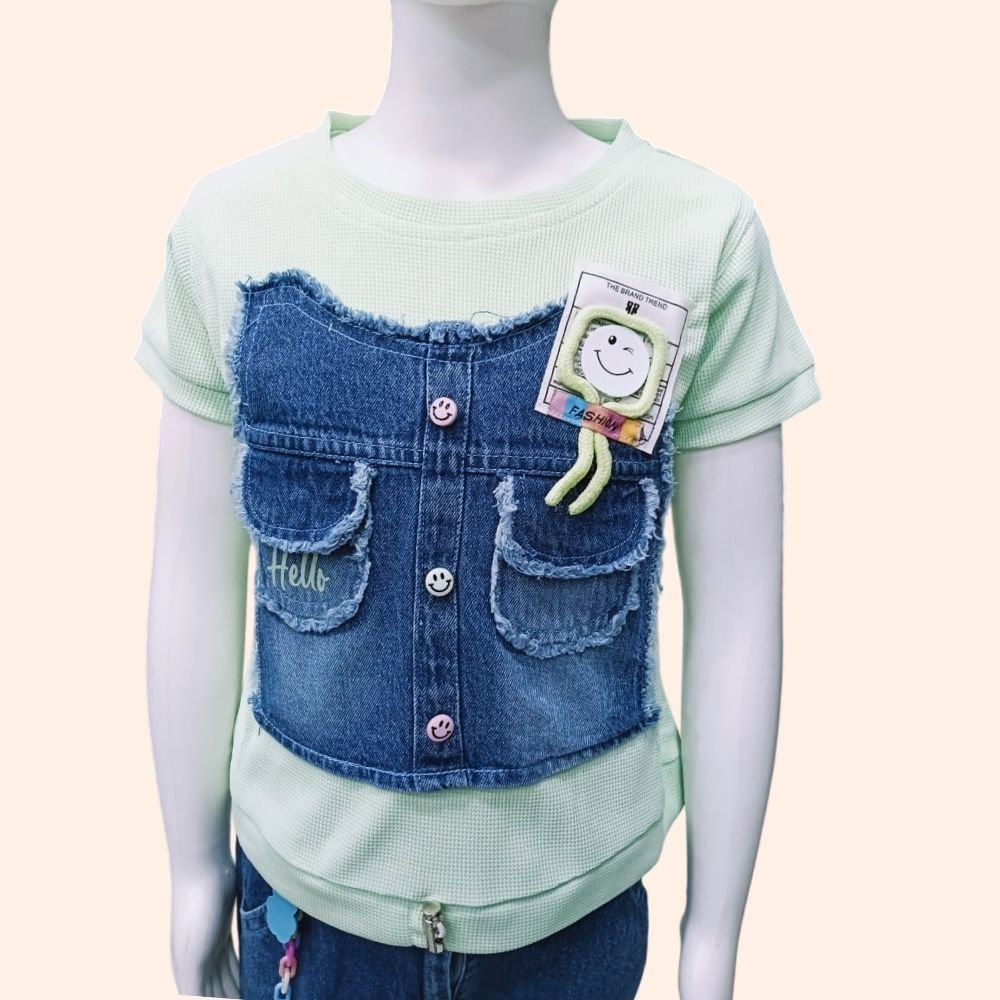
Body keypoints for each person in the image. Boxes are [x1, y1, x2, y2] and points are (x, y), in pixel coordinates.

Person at [134, 2, 821, 997]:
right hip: (303, 919)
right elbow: (190, 580)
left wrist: (713, 932)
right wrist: (192, 865)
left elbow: (740, 617)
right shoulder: (234, 231)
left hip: (577, 924)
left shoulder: (695, 238)